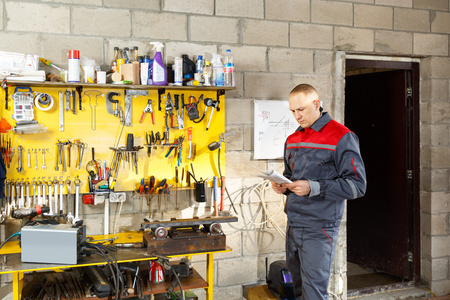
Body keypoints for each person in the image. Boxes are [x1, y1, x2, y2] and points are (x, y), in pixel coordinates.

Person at [271, 83, 367, 300]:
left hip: (320, 227)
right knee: (295, 290)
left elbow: (357, 186)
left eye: (301, 110)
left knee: (314, 294)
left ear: (317, 104)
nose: (296, 116)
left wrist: (313, 187)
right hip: (294, 223)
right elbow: (294, 178)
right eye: (293, 111)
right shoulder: (293, 139)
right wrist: (283, 186)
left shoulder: (342, 136)